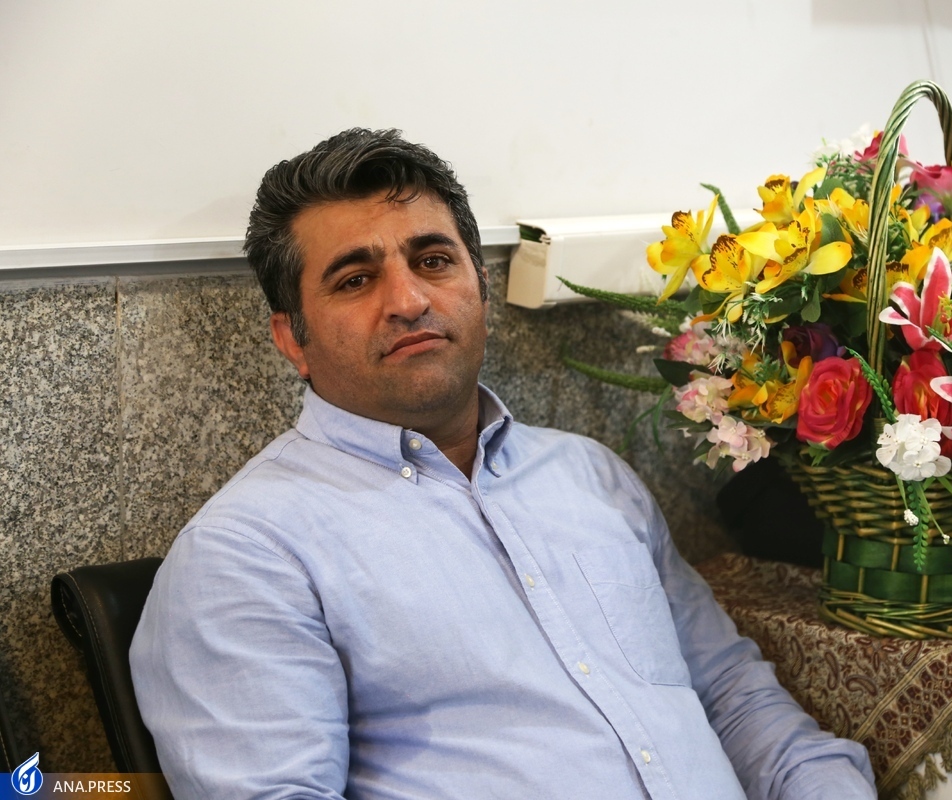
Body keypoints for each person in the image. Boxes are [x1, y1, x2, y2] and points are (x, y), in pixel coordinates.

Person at [129, 128, 877, 800]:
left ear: (480, 288)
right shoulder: (246, 556)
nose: (409, 300)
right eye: (355, 279)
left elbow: (733, 696)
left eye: (433, 261)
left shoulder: (590, 476)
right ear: (293, 339)